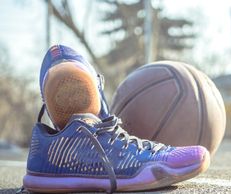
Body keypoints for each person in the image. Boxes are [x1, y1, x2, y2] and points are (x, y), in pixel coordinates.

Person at [21, 45, 210, 193]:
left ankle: (54, 160)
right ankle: (98, 140)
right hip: (91, 141)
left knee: (90, 124)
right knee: (89, 124)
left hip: (55, 157)